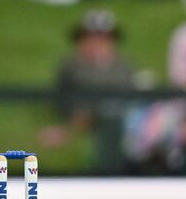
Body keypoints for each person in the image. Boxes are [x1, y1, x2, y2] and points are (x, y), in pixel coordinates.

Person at [39, 10, 137, 172]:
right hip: (90, 116)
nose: (97, 44)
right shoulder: (72, 66)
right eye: (91, 38)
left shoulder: (123, 66)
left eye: (103, 39)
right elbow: (65, 99)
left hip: (124, 117)